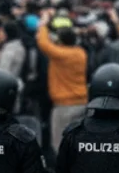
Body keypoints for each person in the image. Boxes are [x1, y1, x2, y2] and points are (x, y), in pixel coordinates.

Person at [36, 9, 88, 156]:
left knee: (59, 144)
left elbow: (43, 43)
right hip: (81, 102)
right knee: (78, 142)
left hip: (64, 106)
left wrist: (44, 24)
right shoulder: (80, 53)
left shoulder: (61, 55)